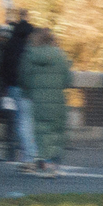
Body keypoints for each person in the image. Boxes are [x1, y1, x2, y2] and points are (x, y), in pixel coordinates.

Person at [18, 25, 71, 172]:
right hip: (56, 99)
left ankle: (34, 158)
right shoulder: (61, 56)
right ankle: (51, 163)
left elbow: (24, 79)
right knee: (54, 131)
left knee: (34, 128)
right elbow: (68, 80)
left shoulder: (29, 55)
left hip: (34, 99)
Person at [0, 13, 37, 165]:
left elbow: (3, 67)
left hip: (13, 86)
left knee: (20, 120)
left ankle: (27, 153)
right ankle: (32, 153)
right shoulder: (32, 47)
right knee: (29, 120)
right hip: (30, 87)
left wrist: (5, 86)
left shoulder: (10, 45)